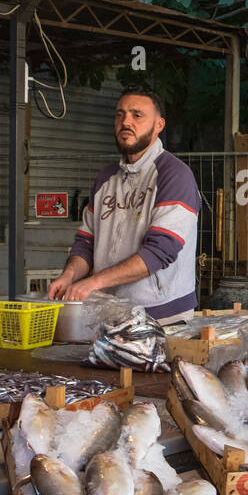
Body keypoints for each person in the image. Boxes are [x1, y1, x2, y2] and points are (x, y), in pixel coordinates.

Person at [46, 87, 199, 324]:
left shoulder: (175, 175)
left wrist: (94, 282)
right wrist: (69, 276)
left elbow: (160, 251)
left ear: (159, 125)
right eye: (120, 114)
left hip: (163, 317)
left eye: (137, 115)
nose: (126, 121)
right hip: (110, 313)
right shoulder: (106, 179)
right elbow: (86, 243)